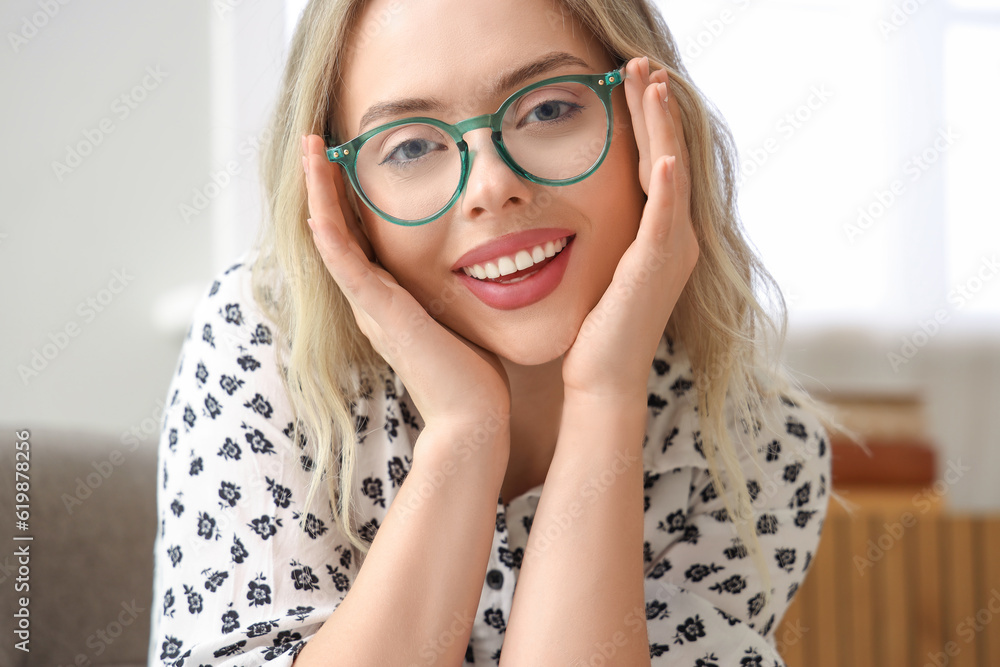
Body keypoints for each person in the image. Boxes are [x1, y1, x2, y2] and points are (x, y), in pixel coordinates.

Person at [147, 0, 843, 664]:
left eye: (548, 108)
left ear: (651, 123)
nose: (491, 185)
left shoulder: (753, 445)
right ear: (347, 200)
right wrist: (463, 430)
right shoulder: (265, 347)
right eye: (412, 146)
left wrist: (606, 397)